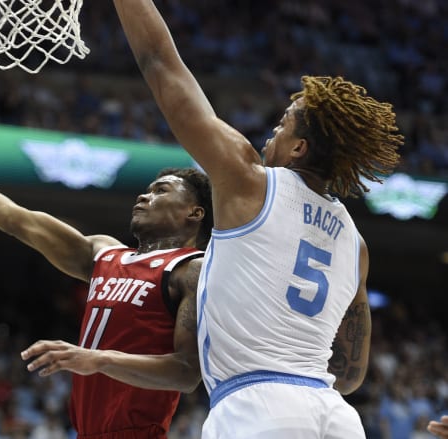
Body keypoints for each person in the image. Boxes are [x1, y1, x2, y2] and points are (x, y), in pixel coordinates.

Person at [111, 1, 403, 438]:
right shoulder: (354, 242)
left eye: (283, 125)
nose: (272, 132)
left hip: (257, 407)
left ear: (300, 148)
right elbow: (349, 374)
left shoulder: (249, 182)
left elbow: (159, 64)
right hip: (335, 416)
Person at [0, 126, 213, 438]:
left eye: (161, 191)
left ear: (194, 212)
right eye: (147, 189)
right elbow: (17, 219)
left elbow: (186, 373)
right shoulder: (104, 253)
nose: (145, 195)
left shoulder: (191, 269)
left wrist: (98, 359)